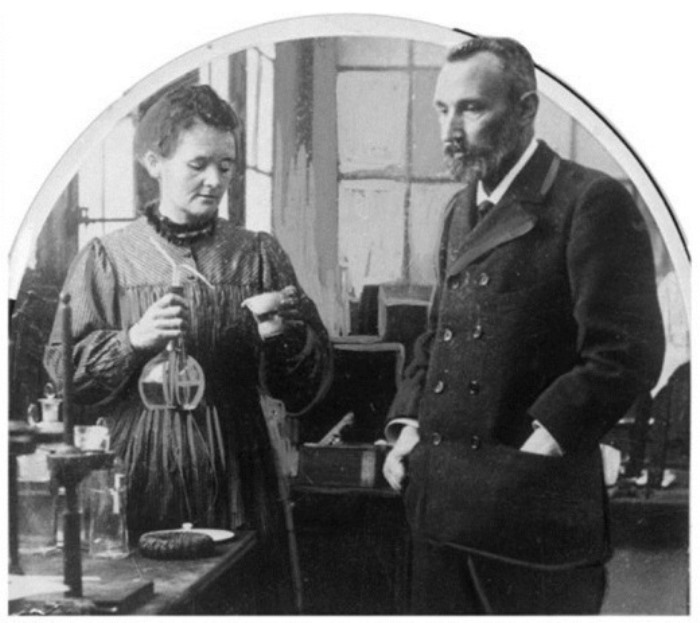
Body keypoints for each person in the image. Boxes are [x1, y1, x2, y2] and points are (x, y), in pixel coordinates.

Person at [382, 37, 665, 615]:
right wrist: (406, 428)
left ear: (526, 108)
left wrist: (543, 446)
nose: (450, 130)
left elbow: (627, 351)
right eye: (442, 109)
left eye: (471, 108)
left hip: (531, 517)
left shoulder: (590, 200)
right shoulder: (459, 210)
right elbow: (436, 336)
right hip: (441, 509)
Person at [44, 85, 331, 600]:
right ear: (154, 162)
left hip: (238, 470)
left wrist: (282, 336)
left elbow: (307, 384)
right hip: (140, 473)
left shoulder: (256, 256)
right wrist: (132, 340)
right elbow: (64, 373)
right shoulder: (108, 260)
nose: (215, 180)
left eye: (226, 165)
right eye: (199, 164)